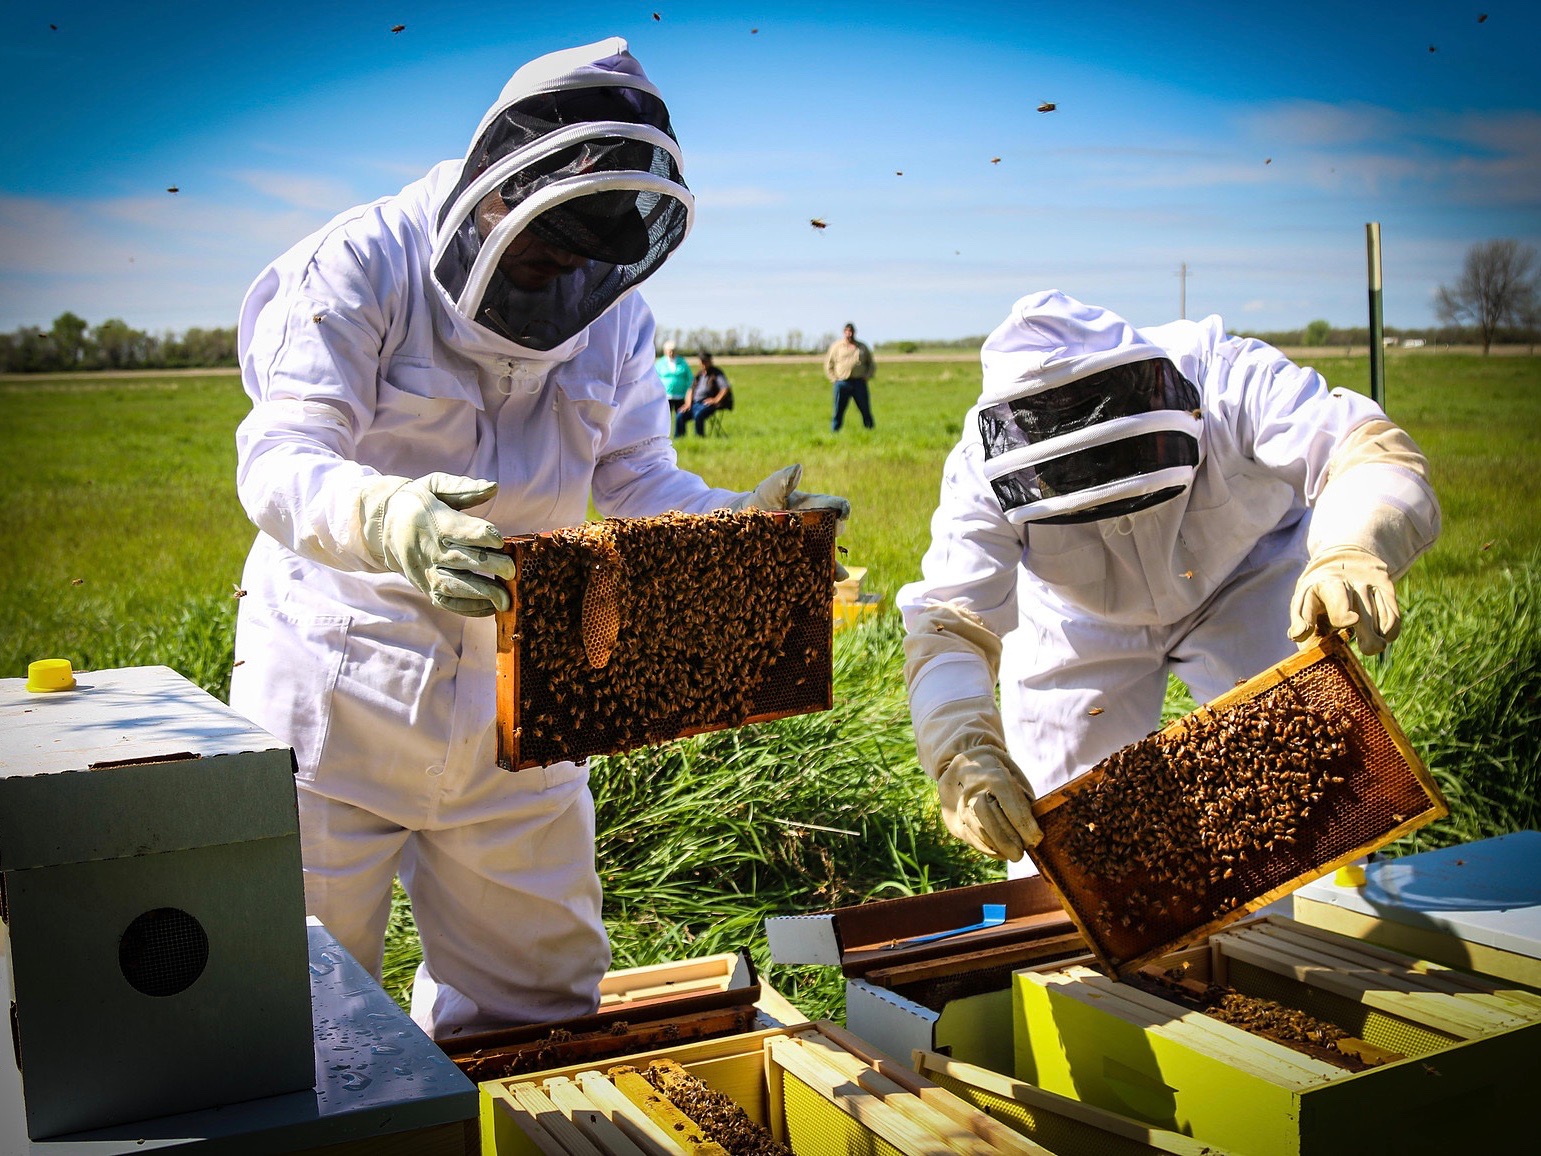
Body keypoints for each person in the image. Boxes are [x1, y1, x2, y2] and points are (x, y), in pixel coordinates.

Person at [227, 38, 850, 1037]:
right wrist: (385, 518)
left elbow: (640, 479)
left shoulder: (610, 314)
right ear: (490, 201)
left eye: (582, 266)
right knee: (289, 1005)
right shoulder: (358, 263)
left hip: (529, 698)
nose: (562, 285)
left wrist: (747, 524)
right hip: (339, 691)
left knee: (537, 1007)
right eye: (542, 258)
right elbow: (279, 453)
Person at [896, 290, 1440, 874]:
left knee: (1321, 814)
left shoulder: (1229, 377)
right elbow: (949, 624)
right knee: (1061, 858)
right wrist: (963, 753)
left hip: (1249, 578)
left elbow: (1368, 450)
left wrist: (1352, 546)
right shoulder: (979, 469)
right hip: (1077, 621)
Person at [824, 321, 876, 431]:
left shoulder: (862, 347)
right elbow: (829, 364)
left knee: (865, 409)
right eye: (847, 331)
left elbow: (871, 364)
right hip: (842, 383)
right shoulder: (836, 346)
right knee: (838, 410)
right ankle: (835, 432)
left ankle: (870, 430)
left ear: (854, 332)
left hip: (859, 382)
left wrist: (867, 376)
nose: (850, 334)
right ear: (844, 332)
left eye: (851, 331)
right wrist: (834, 379)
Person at [673, 350, 732, 437]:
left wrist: (715, 400)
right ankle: (680, 438)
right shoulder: (699, 375)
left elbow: (725, 388)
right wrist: (688, 403)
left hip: (708, 405)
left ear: (710, 361)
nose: (703, 363)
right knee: (680, 414)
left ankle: (699, 438)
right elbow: (690, 390)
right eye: (702, 361)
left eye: (705, 361)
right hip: (694, 404)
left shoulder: (716, 373)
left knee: (698, 414)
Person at [656, 340, 692, 417]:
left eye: (673, 351)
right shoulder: (659, 363)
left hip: (680, 396)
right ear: (665, 351)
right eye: (670, 351)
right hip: (665, 397)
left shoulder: (682, 362)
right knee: (665, 419)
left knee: (680, 418)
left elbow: (690, 378)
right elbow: (655, 379)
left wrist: (688, 392)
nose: (672, 353)